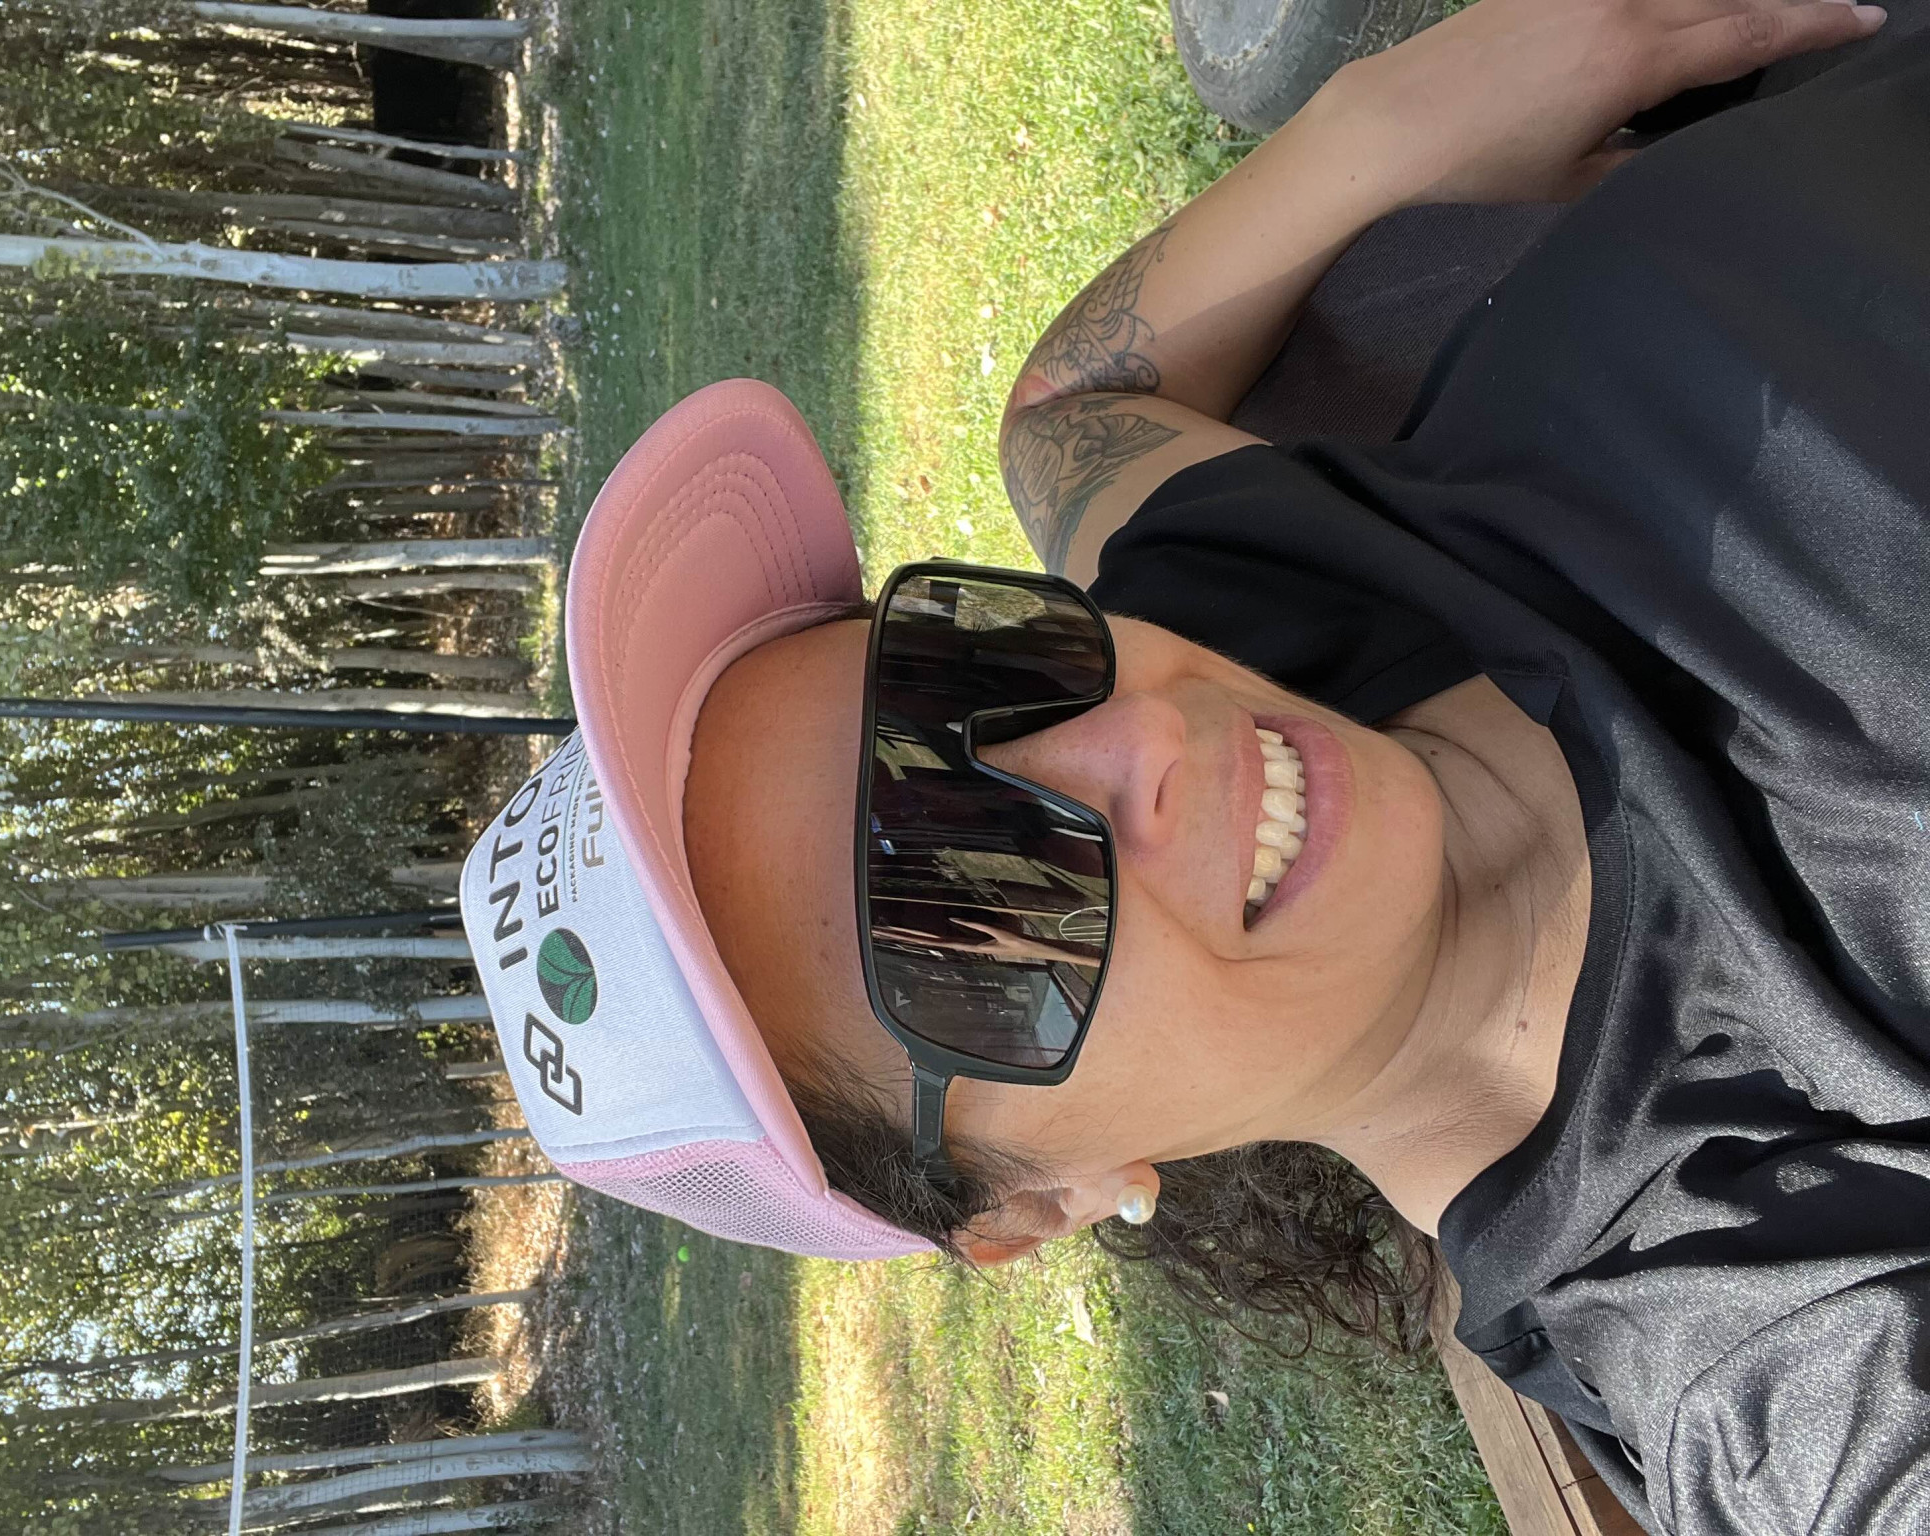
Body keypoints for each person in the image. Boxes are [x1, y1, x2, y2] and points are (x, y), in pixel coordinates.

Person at [462, 0, 1930, 1527]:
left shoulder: (1273, 603)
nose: (1141, 732)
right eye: (975, 907)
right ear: (1034, 1206)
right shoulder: (1760, 1316)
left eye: (965, 668)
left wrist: (1378, 123)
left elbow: (1063, 416)